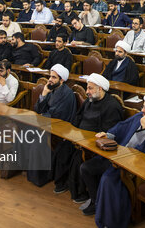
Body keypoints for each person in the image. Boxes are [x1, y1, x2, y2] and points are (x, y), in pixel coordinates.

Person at [80, 91, 145, 222]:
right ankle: (96, 203)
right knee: (86, 168)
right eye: (143, 106)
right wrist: (108, 135)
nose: (143, 110)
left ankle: (109, 220)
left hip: (137, 164)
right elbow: (121, 127)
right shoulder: (140, 115)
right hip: (119, 154)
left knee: (107, 178)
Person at [50, 73, 124, 202]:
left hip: (92, 143)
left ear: (100, 89)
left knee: (78, 157)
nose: (87, 92)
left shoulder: (112, 106)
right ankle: (62, 183)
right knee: (62, 148)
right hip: (79, 137)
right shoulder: (90, 100)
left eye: (90, 88)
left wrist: (83, 140)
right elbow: (78, 117)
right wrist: (70, 133)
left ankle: (79, 192)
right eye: (87, 88)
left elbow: (108, 132)